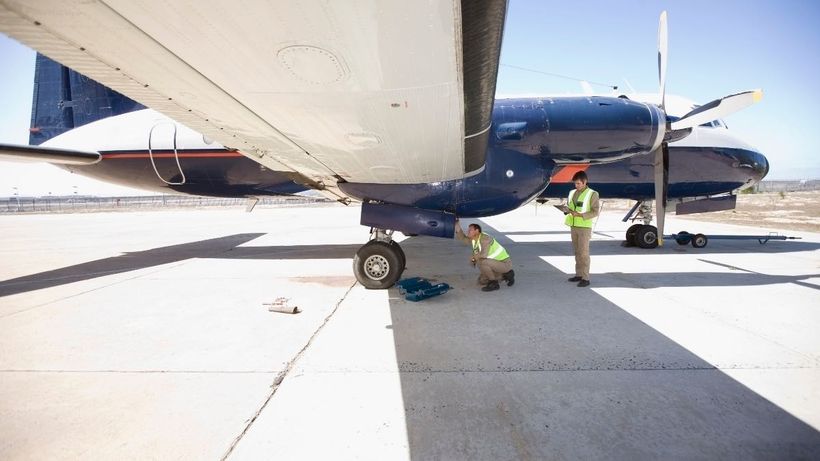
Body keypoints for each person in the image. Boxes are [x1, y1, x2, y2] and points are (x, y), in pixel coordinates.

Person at [455, 219, 515, 292]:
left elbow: (484, 254)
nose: (468, 231)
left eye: (470, 230)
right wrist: (457, 225)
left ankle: (494, 283)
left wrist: (473, 259)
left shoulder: (485, 239)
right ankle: (507, 275)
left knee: (482, 262)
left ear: (477, 231)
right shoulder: (474, 239)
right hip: (495, 263)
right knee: (482, 281)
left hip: (504, 264)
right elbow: (463, 238)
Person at [564, 171, 600, 287]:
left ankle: (586, 278)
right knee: (577, 252)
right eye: (575, 184)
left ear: (585, 182)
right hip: (573, 226)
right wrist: (566, 210)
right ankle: (578, 274)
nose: (576, 186)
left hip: (584, 227)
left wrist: (580, 215)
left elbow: (595, 211)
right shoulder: (572, 193)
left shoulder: (592, 194)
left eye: (579, 183)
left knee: (584, 253)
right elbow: (571, 207)